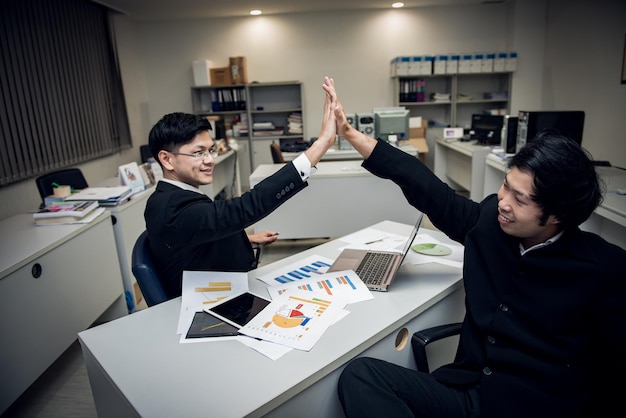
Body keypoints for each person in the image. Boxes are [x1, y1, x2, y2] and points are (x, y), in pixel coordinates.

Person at [320, 78, 626, 417]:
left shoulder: (605, 269)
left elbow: (613, 375)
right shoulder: (489, 224)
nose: (503, 203)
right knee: (362, 376)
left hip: (536, 406)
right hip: (469, 393)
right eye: (505, 186)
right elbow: (425, 187)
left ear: (558, 215)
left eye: (519, 199)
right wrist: (348, 132)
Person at [144, 79, 337, 299]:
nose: (210, 160)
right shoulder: (174, 208)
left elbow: (194, 237)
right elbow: (245, 207)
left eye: (211, 150)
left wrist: (246, 239)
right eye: (198, 153)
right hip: (210, 302)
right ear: (167, 159)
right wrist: (321, 145)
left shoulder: (169, 197)